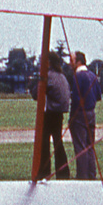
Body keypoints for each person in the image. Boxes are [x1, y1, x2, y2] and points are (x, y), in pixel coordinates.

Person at [36, 51, 71, 181]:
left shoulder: (48, 76)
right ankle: (63, 172)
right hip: (59, 114)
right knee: (58, 143)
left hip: (49, 113)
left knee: (44, 143)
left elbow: (36, 93)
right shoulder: (62, 76)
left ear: (48, 62)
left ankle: (43, 171)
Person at [69, 51, 103, 180]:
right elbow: (98, 96)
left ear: (78, 62)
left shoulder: (78, 76)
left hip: (80, 115)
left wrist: (72, 117)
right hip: (91, 113)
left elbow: (76, 99)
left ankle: (82, 176)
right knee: (90, 146)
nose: (70, 63)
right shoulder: (92, 75)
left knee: (80, 146)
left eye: (72, 60)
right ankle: (91, 175)